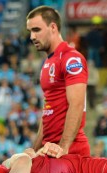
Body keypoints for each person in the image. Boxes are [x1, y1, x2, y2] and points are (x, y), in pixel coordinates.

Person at [26, 6, 90, 157]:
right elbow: (47, 110)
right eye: (30, 31)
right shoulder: (48, 62)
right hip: (49, 150)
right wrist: (34, 150)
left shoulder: (71, 58)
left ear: (53, 27)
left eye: (36, 30)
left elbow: (77, 104)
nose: (32, 36)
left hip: (70, 152)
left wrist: (64, 147)